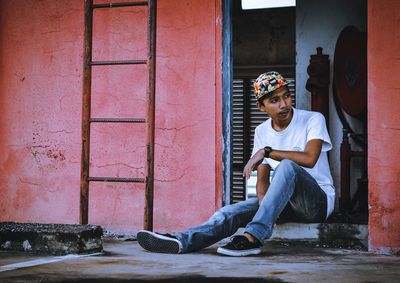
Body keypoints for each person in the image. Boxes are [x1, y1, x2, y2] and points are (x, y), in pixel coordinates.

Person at [137, 71, 335, 256]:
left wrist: (267, 152)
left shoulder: (313, 119)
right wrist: (267, 208)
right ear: (261, 106)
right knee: (229, 212)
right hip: (286, 203)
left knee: (287, 166)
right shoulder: (262, 131)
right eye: (274, 100)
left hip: (317, 203)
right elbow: (263, 177)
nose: (284, 104)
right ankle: (182, 241)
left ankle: (254, 237)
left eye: (286, 96)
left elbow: (310, 159)